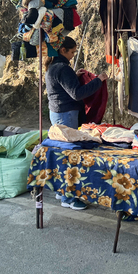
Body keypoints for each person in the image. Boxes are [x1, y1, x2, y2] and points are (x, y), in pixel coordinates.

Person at [45, 36, 108, 210]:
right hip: (66, 116)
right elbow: (77, 94)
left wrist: (75, 75)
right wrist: (98, 80)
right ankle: (68, 198)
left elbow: (64, 87)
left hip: (58, 114)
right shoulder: (62, 68)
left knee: (62, 154)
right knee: (69, 157)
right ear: (62, 50)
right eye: (72, 52)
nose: (73, 55)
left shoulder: (54, 67)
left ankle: (61, 190)